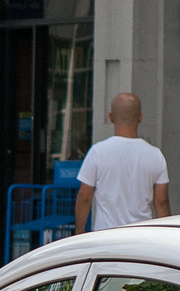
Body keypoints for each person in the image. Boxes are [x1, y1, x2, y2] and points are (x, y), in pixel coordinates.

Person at [73, 93, 171, 233]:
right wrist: (166, 236)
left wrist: (79, 232)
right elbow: (161, 203)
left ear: (111, 117)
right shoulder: (156, 155)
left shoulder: (97, 152)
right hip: (141, 237)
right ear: (140, 118)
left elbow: (84, 197)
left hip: (105, 237)